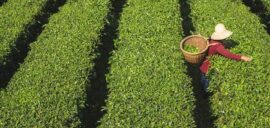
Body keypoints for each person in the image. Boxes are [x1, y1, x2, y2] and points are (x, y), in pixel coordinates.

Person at [200, 23, 252, 92]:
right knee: (207, 84)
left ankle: (202, 91)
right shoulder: (218, 46)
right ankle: (206, 94)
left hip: (203, 64)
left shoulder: (210, 39)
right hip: (207, 67)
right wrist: (242, 57)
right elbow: (229, 55)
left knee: (203, 80)